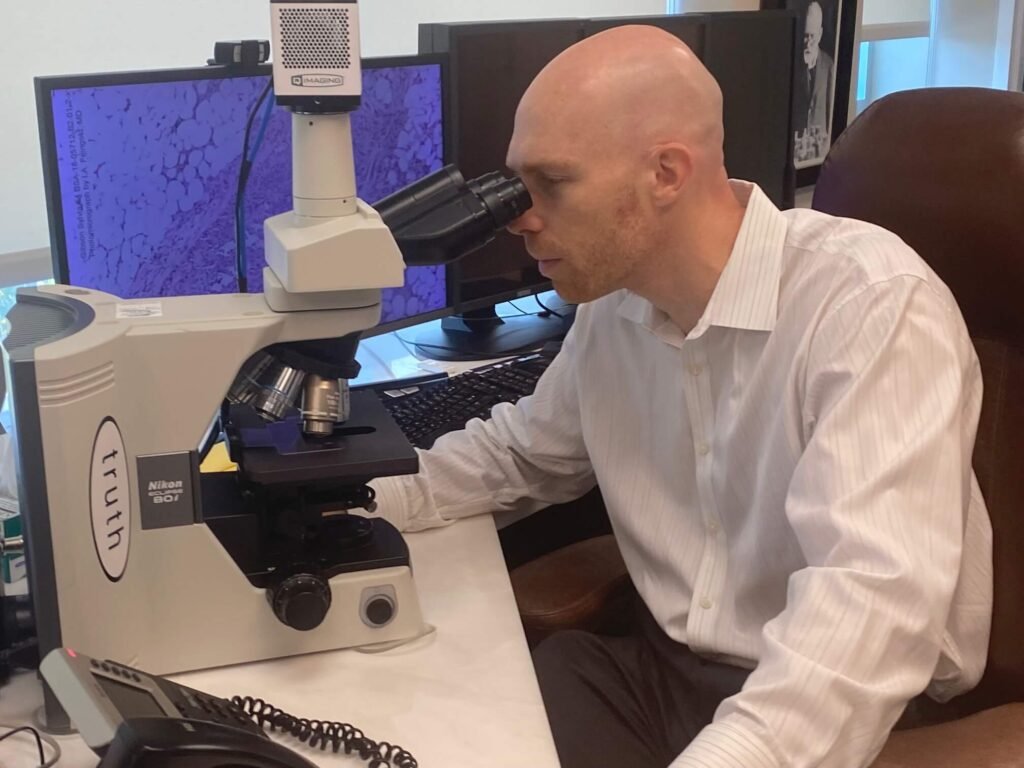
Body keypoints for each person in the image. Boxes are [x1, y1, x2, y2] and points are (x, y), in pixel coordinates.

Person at [367, 24, 993, 768]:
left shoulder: (869, 306)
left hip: (846, 704)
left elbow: (869, 612)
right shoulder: (614, 305)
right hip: (659, 676)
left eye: (551, 184)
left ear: (666, 173)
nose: (520, 219)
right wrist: (352, 506)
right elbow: (520, 455)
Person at [795, 0, 835, 163]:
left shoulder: (829, 66)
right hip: (796, 150)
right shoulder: (792, 63)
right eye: (805, 36)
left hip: (819, 152)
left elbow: (830, 110)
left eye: (812, 36)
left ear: (820, 34)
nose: (808, 42)